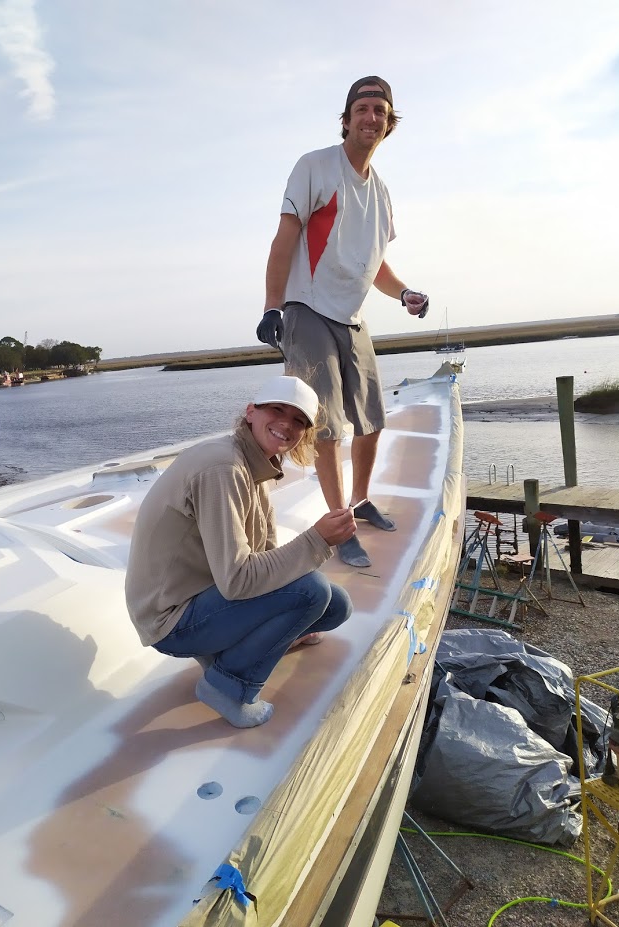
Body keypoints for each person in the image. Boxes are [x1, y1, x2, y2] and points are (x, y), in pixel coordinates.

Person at [257, 75, 429, 569]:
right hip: (307, 307)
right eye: (362, 109)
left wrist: (404, 293)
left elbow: (375, 264)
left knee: (372, 419)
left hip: (352, 317)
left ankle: (360, 499)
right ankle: (338, 522)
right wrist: (272, 306)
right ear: (347, 119)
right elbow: (284, 238)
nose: (371, 118)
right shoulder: (314, 167)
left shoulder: (382, 193)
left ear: (389, 123)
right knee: (327, 426)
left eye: (380, 111)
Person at [125, 375, 355, 729]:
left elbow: (264, 551)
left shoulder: (253, 462)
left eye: (298, 420)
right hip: (169, 621)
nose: (286, 424)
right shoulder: (224, 468)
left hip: (200, 595)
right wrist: (317, 540)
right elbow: (236, 581)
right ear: (251, 412)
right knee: (312, 593)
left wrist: (291, 619)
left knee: (336, 605)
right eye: (277, 410)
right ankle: (228, 686)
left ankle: (229, 653)